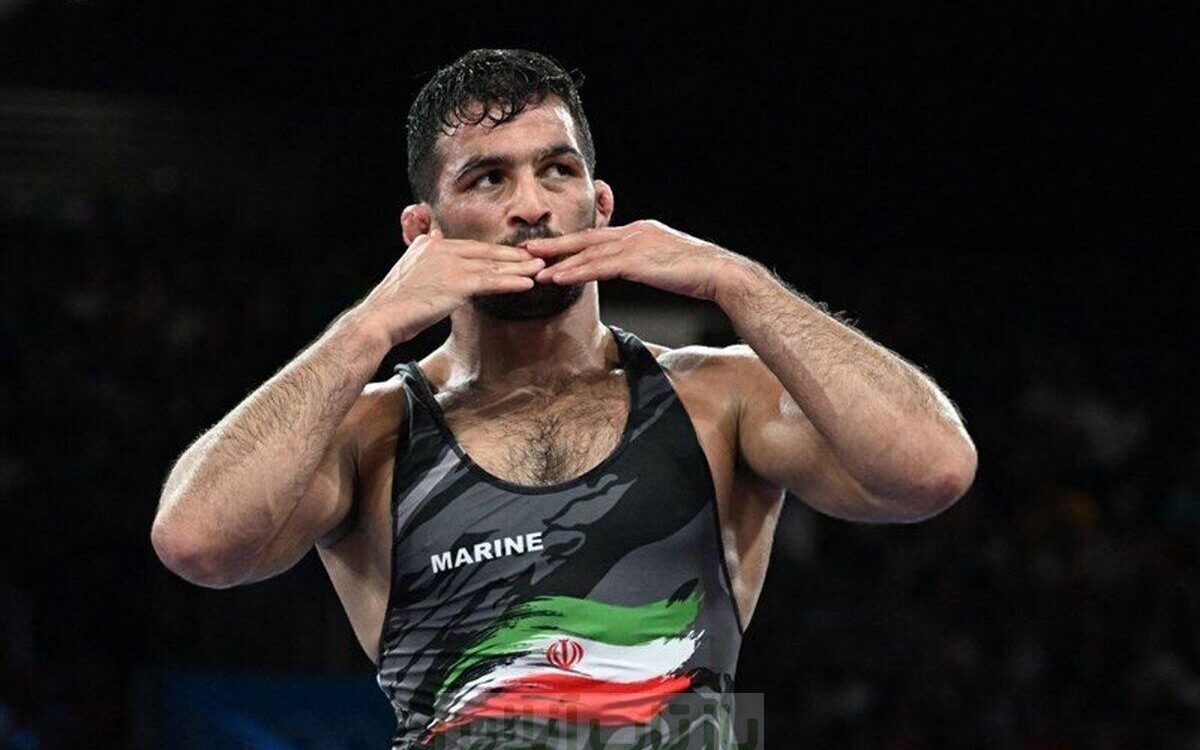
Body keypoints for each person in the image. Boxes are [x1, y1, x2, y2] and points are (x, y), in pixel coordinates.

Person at [150, 48, 977, 748]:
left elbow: (933, 469)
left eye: (557, 170)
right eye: (488, 179)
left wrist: (738, 282)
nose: (531, 207)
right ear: (422, 231)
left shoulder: (716, 395)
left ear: (599, 205)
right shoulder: (372, 430)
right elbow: (197, 544)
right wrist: (369, 325)